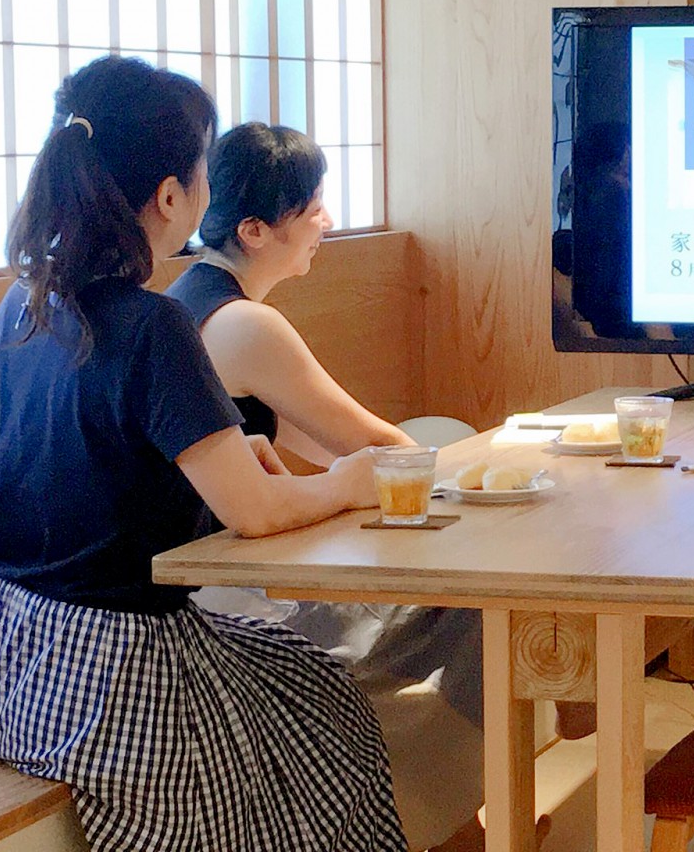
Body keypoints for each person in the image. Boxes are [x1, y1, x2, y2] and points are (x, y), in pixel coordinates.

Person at [0, 58, 404, 852]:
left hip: (6, 663)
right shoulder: (150, 323)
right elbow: (259, 511)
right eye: (200, 173)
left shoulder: (19, 306)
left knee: (298, 673)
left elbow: (75, 467)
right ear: (171, 195)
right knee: (328, 716)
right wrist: (347, 482)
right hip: (113, 672)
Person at [166, 123, 580, 852]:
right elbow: (380, 449)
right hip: (227, 607)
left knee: (472, 593)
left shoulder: (191, 302)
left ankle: (473, 817)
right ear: (257, 230)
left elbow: (320, 447)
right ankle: (478, 811)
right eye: (313, 207)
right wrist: (508, 468)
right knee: (486, 604)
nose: (326, 222)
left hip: (220, 584)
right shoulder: (244, 325)